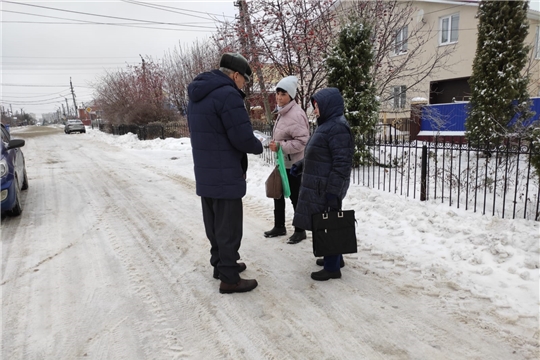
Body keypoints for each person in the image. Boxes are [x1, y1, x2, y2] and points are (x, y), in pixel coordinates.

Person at [187, 52, 263, 294]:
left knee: (214, 224)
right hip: (226, 172)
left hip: (206, 172)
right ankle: (230, 278)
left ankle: (221, 265)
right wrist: (257, 145)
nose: (245, 86)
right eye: (245, 81)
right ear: (236, 75)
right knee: (229, 227)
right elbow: (241, 137)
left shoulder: (198, 95)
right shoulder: (227, 94)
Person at [292, 87, 354, 281]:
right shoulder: (327, 125)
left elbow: (342, 163)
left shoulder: (337, 127)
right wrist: (301, 165)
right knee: (329, 220)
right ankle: (335, 257)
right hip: (321, 183)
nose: (315, 110)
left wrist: (333, 192)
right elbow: (319, 154)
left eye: (317, 106)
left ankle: (332, 268)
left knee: (329, 222)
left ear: (328, 105)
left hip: (327, 186)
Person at [264, 75, 310, 244]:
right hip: (283, 162)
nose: (279, 97)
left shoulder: (296, 114)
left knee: (295, 197)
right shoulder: (283, 112)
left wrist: (281, 146)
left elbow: (302, 142)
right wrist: (277, 145)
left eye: (283, 94)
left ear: (290, 95)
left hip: (294, 164)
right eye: (277, 93)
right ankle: (279, 226)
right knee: (277, 192)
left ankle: (300, 230)